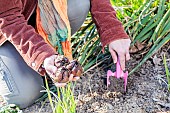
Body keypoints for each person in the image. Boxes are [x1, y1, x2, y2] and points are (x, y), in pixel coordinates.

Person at [0, 0, 131, 109]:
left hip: (35, 11)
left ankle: (43, 41)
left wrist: (112, 29)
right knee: (25, 94)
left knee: (79, 4)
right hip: (5, 30)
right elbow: (8, 19)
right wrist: (42, 55)